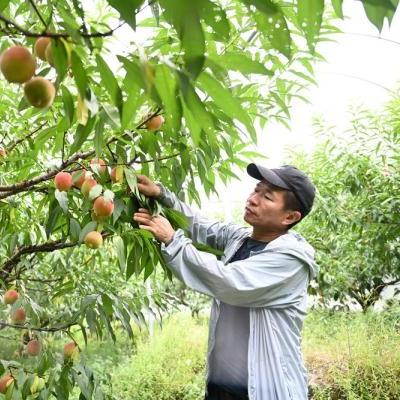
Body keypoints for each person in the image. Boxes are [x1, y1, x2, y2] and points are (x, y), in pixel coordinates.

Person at [133, 163, 318, 400]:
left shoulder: (290, 262)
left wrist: (172, 241)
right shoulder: (240, 239)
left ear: (290, 217)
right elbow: (200, 225)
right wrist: (162, 194)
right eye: (256, 190)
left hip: (265, 391)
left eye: (267, 197)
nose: (253, 199)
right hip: (220, 388)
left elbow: (229, 282)